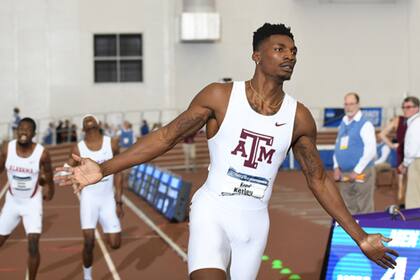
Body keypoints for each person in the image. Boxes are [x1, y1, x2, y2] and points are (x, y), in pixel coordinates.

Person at [57, 23, 398, 280]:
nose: (290, 56)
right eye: (280, 49)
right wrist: (103, 168)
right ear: (257, 55)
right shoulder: (220, 96)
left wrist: (361, 237)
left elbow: (318, 179)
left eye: (294, 52)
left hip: (254, 223)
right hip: (212, 211)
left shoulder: (299, 117)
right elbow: (166, 137)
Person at [66, 114, 123, 280]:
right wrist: (63, 172)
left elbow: (119, 171)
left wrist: (119, 200)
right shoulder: (78, 148)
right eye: (86, 123)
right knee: (89, 241)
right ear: (83, 129)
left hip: (108, 200)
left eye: (92, 122)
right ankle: (87, 276)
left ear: (98, 124)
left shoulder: (111, 143)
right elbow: (67, 166)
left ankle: (107, 226)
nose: (89, 125)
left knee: (115, 244)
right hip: (89, 199)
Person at [0, 118, 54, 280]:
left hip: (32, 203)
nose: (23, 132)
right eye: (21, 128)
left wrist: (50, 190)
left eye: (28, 129)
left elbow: (49, 175)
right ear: (17, 131)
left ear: (34, 134)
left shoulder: (42, 153)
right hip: (12, 202)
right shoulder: (6, 149)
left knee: (33, 245)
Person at [333, 93, 377, 214]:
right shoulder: (343, 123)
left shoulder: (365, 124)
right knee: (347, 208)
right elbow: (337, 147)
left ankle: (366, 232)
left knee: (364, 208)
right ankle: (351, 233)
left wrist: (357, 171)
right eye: (346, 104)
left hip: (362, 173)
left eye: (351, 104)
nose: (349, 107)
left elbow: (371, 150)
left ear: (358, 105)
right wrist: (336, 167)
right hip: (344, 174)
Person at [379, 113, 408, 208]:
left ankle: (405, 206)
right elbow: (382, 134)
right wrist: (393, 146)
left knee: (403, 183)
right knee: (401, 183)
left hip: (410, 155)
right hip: (403, 155)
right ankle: (403, 207)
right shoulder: (398, 120)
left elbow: (382, 134)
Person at [398, 96, 420, 209]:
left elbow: (412, 148)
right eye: (403, 107)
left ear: (417, 108)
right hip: (415, 160)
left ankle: (415, 224)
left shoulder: (416, 123)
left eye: (408, 107)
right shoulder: (413, 122)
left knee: (414, 197)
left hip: (416, 162)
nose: (405, 110)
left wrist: (404, 164)